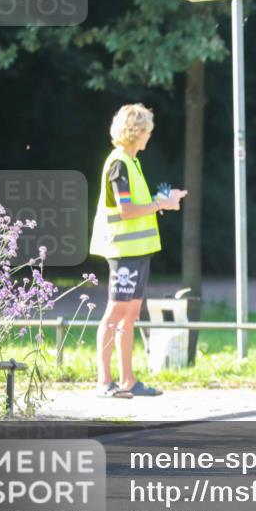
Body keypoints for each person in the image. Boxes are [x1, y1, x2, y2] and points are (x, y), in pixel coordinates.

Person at [89, 104, 187, 398]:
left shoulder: (131, 162)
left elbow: (136, 204)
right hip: (123, 251)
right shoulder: (119, 163)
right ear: (135, 132)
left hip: (137, 251)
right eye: (147, 131)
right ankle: (104, 382)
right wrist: (161, 205)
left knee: (129, 315)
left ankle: (128, 381)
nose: (149, 136)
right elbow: (127, 210)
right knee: (115, 313)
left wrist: (163, 199)